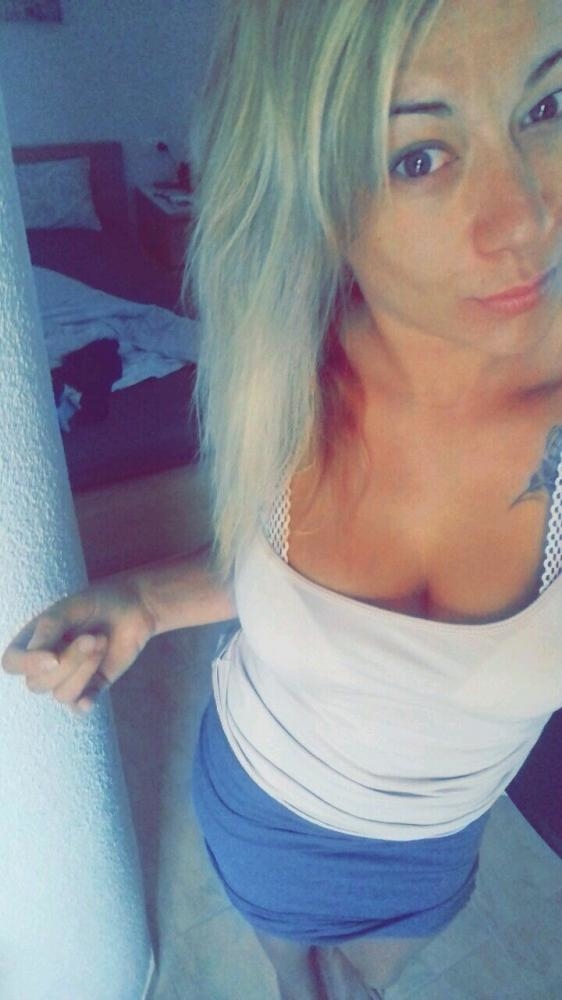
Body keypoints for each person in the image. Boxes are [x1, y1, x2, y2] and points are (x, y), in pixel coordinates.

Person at [4, 0, 562, 996]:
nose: (525, 218)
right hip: (258, 806)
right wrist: (144, 599)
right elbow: (272, 573)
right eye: (417, 157)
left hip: (431, 856)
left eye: (547, 105)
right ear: (310, 194)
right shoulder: (282, 369)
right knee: (292, 976)